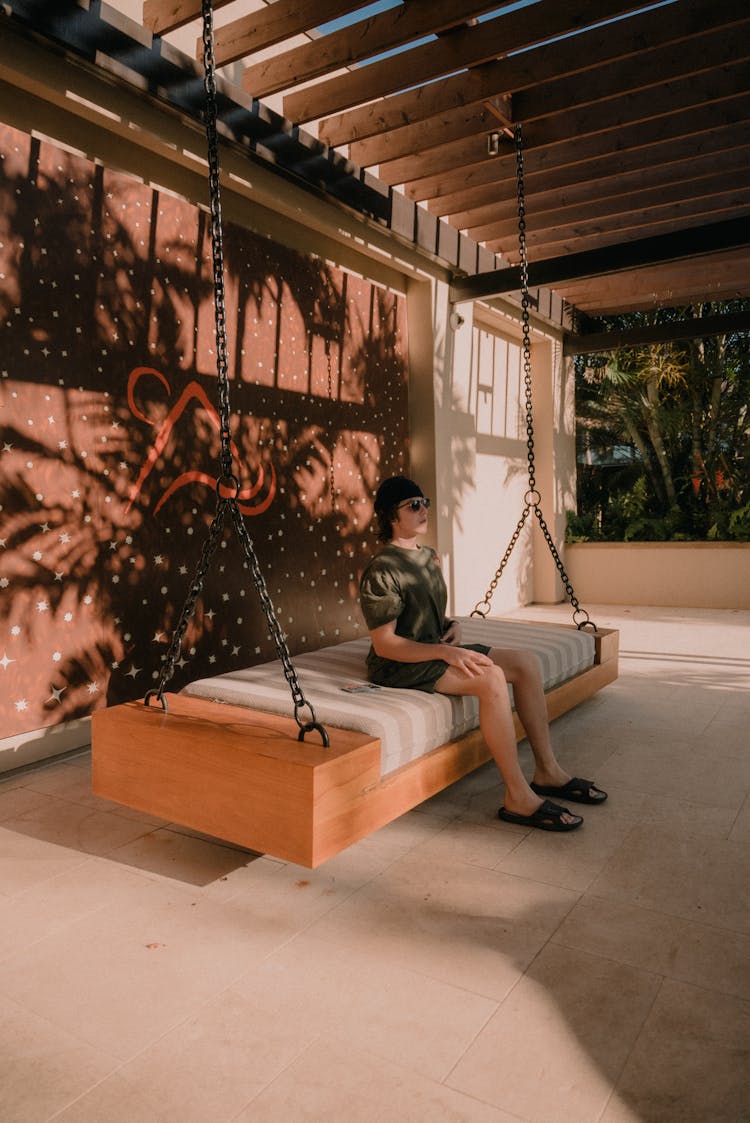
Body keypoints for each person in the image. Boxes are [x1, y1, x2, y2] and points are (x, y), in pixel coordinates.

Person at [359, 476, 608, 832]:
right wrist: (445, 653)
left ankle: (548, 771)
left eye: (424, 501)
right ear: (390, 516)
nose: (423, 509)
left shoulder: (429, 557)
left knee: (525, 663)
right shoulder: (382, 569)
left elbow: (423, 612)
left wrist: (450, 625)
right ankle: (518, 796)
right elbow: (385, 644)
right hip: (398, 664)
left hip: (434, 648)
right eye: (413, 505)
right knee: (490, 678)